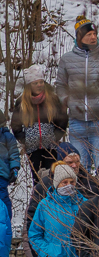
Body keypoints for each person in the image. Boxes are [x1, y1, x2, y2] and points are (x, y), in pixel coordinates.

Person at [12, 65, 69, 190]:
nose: (39, 85)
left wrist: (56, 136)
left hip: (51, 146)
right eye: (35, 83)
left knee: (52, 176)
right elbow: (15, 124)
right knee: (37, 179)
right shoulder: (21, 101)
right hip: (32, 148)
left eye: (41, 82)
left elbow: (63, 120)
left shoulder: (52, 99)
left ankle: (53, 203)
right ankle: (38, 203)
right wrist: (24, 139)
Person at [57, 15, 99, 173]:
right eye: (89, 34)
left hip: (98, 122)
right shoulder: (67, 59)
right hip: (76, 122)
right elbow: (60, 84)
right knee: (80, 169)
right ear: (80, 37)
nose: (93, 37)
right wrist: (66, 100)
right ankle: (85, 198)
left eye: (95, 34)